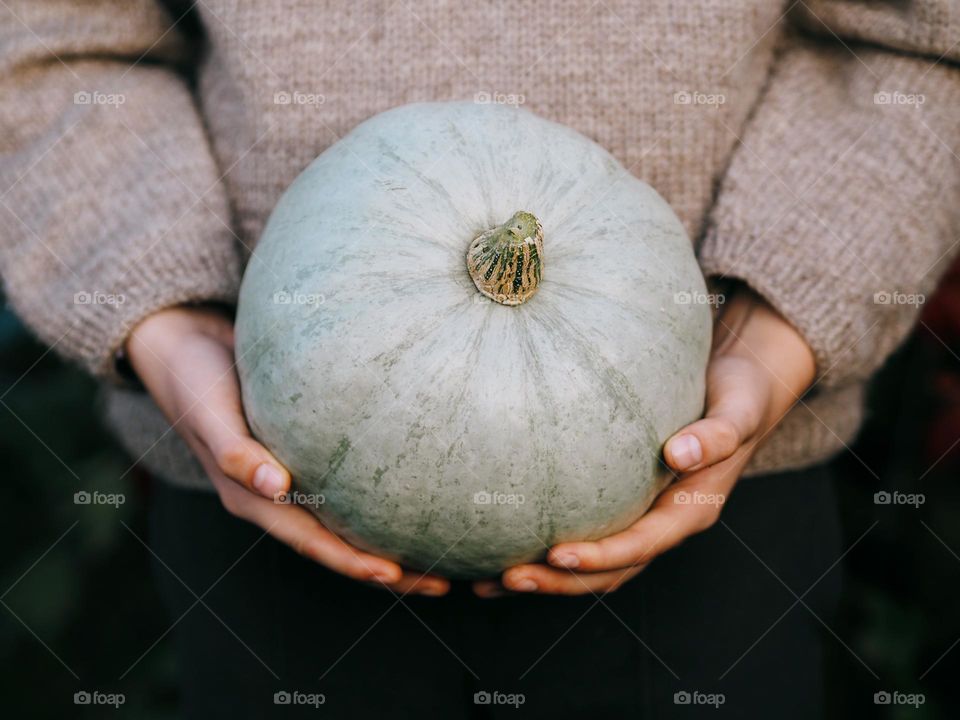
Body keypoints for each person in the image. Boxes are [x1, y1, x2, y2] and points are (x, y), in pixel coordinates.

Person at [1, 1, 958, 717]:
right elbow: (49, 44)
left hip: (721, 525)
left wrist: (781, 322)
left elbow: (922, 42)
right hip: (256, 514)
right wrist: (163, 311)